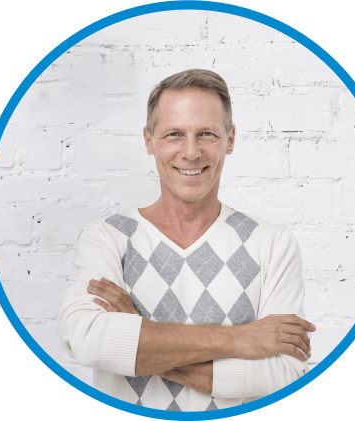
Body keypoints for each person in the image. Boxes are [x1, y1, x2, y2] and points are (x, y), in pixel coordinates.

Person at [57, 69, 316, 411]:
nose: (191, 152)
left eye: (207, 134)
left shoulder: (271, 243)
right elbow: (86, 339)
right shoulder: (108, 237)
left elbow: (284, 374)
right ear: (149, 141)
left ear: (230, 140)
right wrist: (240, 338)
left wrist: (137, 335)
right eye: (174, 134)